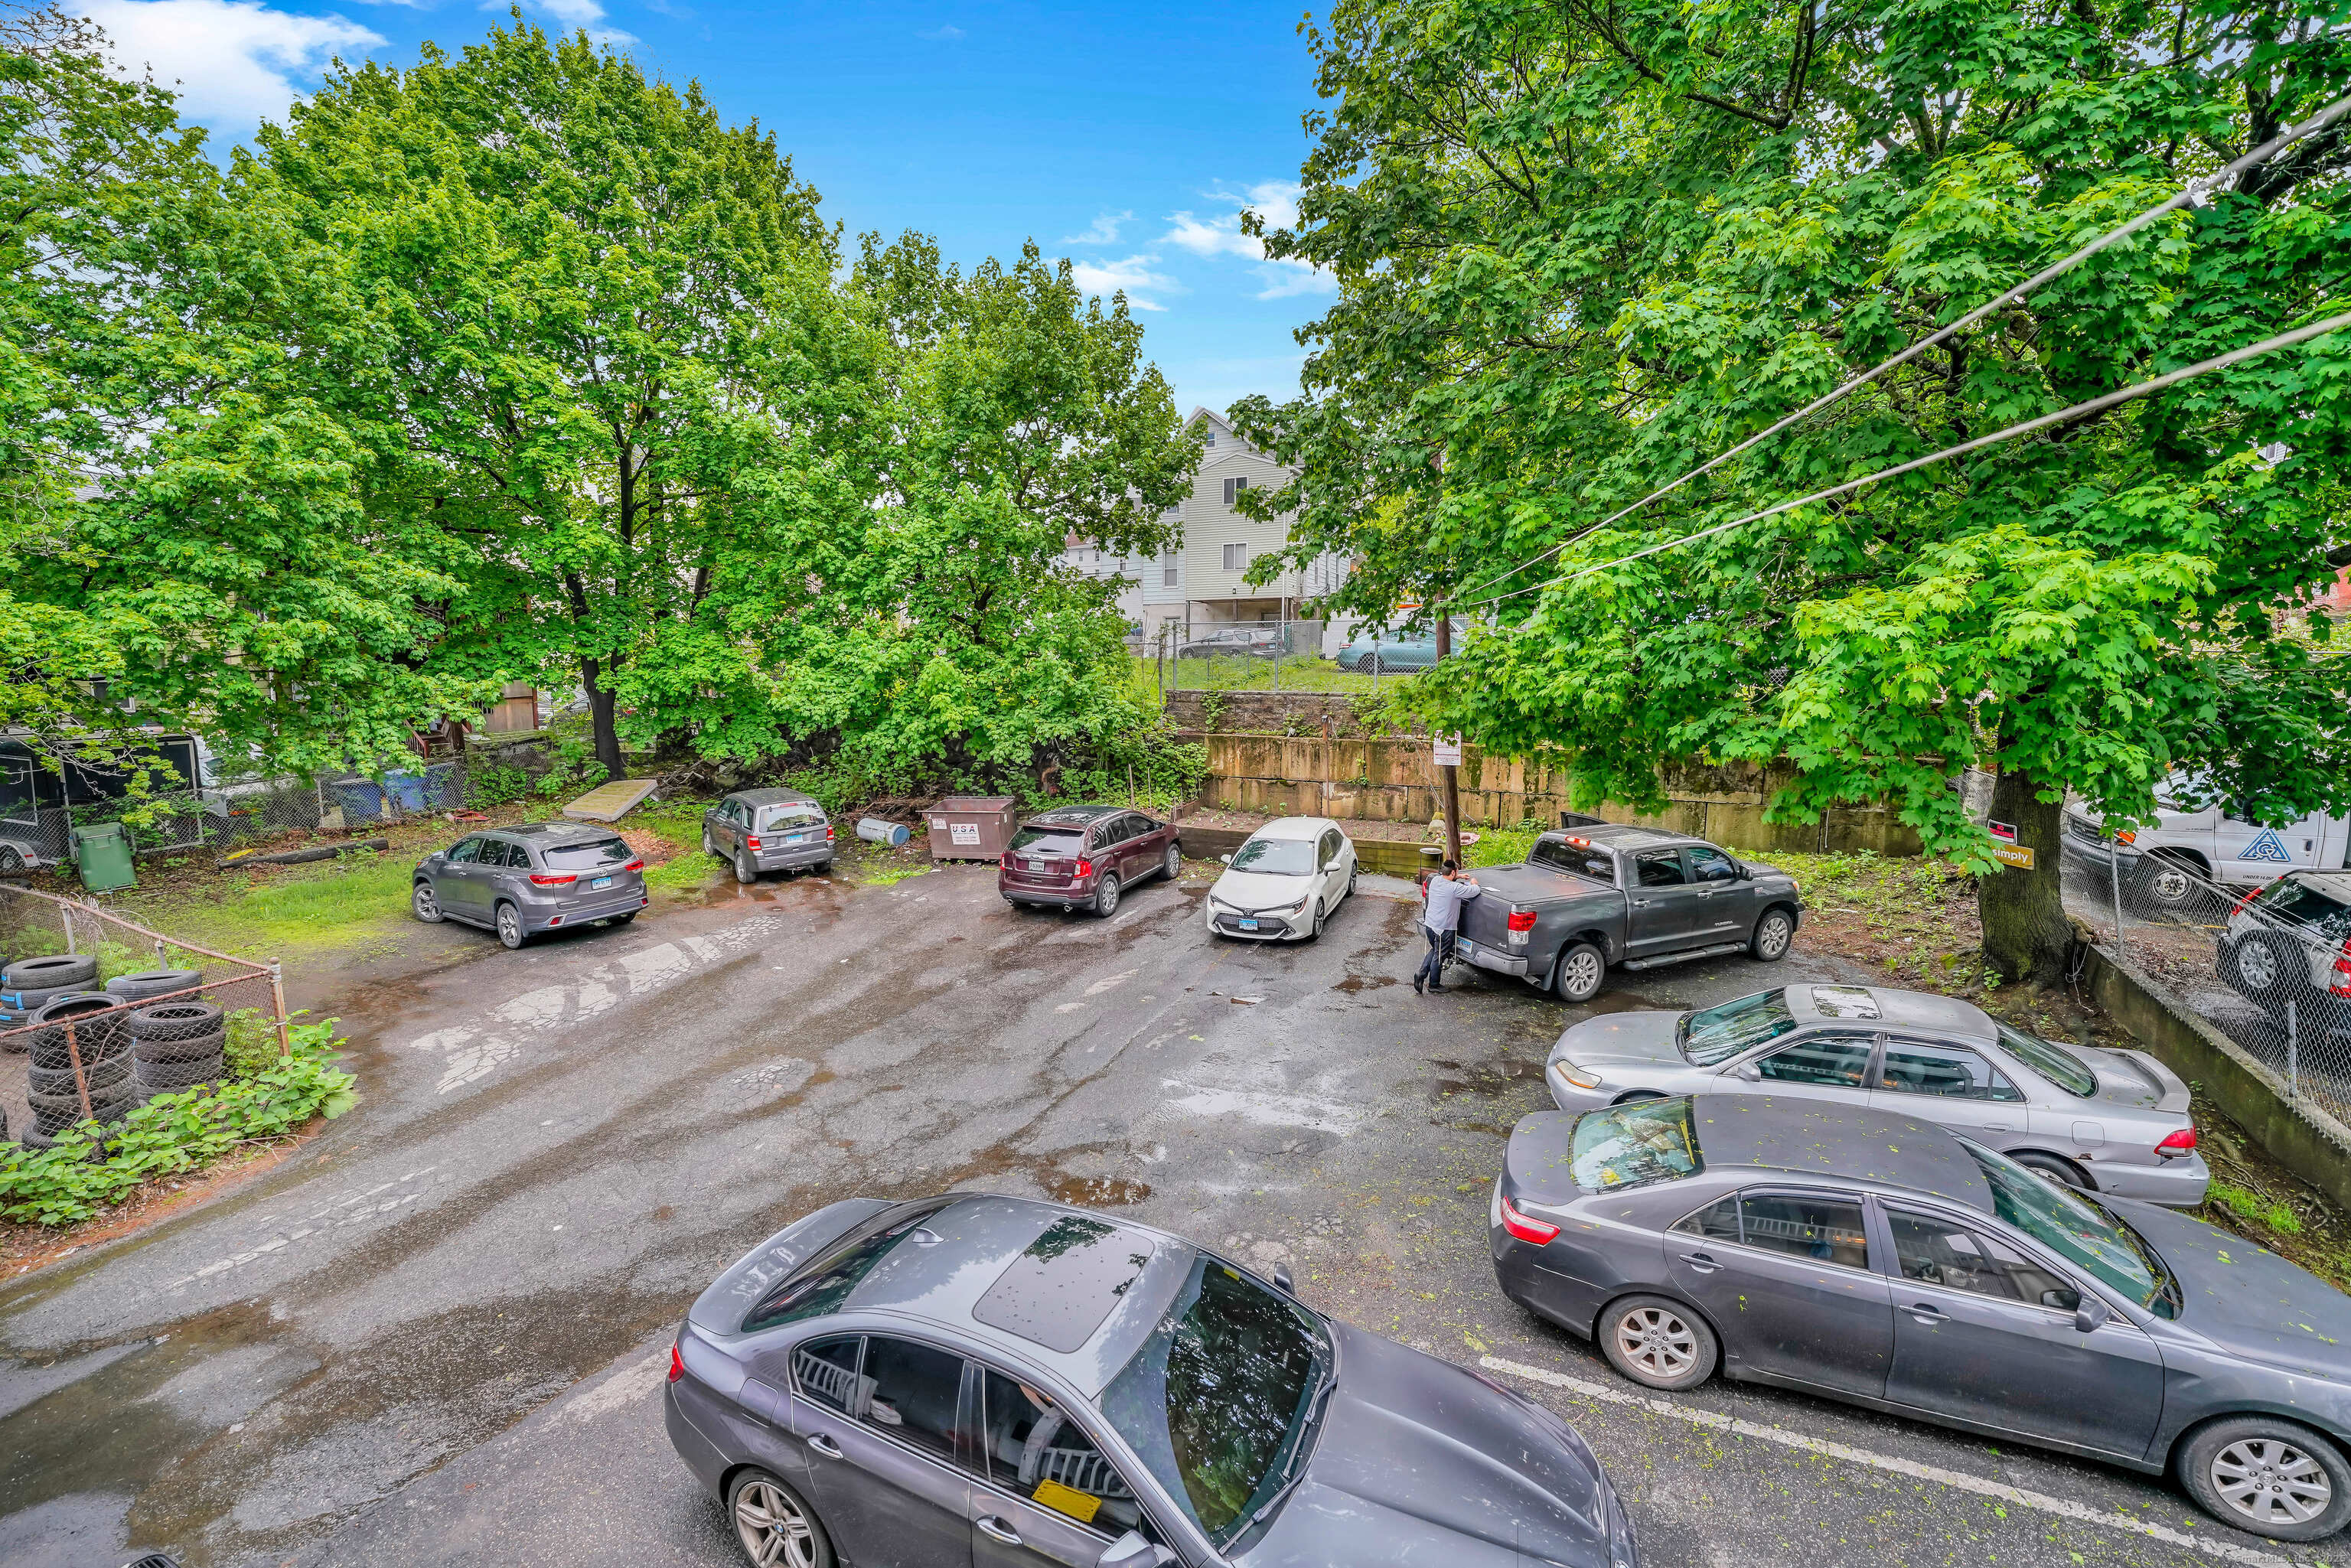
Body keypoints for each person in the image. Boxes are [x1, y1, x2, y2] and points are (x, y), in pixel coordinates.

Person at [1414, 859, 1480, 994]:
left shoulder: (1435, 881)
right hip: (1444, 929)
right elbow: (1474, 891)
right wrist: (1474, 883)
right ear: (1453, 872)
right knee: (1440, 955)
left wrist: (1459, 876)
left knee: (1435, 950)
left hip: (1430, 925)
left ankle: (1421, 974)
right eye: (1457, 872)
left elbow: (1446, 876)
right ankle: (1434, 984)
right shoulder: (1455, 888)